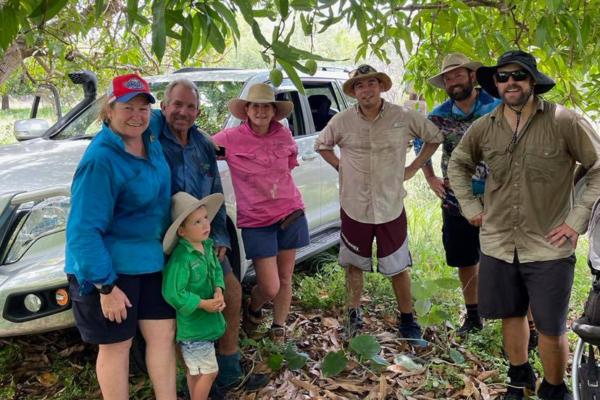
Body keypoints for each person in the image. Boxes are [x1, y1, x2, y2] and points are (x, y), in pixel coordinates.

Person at [448, 49, 600, 400]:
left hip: (548, 244)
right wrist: (470, 206)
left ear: (533, 81)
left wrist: (576, 221)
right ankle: (518, 379)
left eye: (518, 75)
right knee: (510, 315)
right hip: (498, 242)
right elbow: (458, 165)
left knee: (550, 326)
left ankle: (554, 387)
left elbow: (596, 167)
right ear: (495, 83)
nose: (510, 82)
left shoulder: (564, 121)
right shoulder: (485, 126)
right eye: (502, 77)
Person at [65, 74, 177, 400]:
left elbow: (171, 114)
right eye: (128, 107)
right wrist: (105, 286)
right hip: (108, 266)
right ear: (109, 110)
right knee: (117, 345)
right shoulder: (100, 160)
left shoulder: (148, 133)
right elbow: (83, 231)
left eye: (143, 108)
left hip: (149, 258)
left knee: (163, 333)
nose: (137, 115)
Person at [314, 65, 442, 346]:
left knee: (398, 265)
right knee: (353, 264)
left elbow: (433, 137)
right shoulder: (343, 120)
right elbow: (322, 145)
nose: (366, 90)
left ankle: (408, 320)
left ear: (381, 86)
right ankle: (352, 315)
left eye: (371, 83)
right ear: (354, 92)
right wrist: (341, 168)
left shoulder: (403, 116)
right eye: (359, 86)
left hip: (390, 204)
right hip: (354, 205)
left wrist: (413, 169)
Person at [148, 78, 253, 393]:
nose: (183, 112)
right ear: (164, 106)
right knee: (182, 309)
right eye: (176, 104)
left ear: (197, 112)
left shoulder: (203, 144)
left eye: (190, 106)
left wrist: (219, 235)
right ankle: (195, 381)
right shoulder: (149, 138)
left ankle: (228, 368)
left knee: (231, 293)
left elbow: (216, 193)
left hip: (203, 239)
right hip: (167, 242)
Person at [413, 54, 502, 337]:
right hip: (457, 199)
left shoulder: (496, 105)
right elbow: (420, 141)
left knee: (512, 259)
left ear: (472, 76)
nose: (453, 82)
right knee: (465, 259)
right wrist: (429, 176)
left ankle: (528, 324)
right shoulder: (439, 114)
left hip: (500, 197)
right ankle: (473, 316)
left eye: (458, 75)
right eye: (448, 78)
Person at [213, 83, 309, 343]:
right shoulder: (229, 138)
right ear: (247, 110)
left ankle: (279, 327)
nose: (261, 111)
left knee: (286, 277)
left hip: (290, 213)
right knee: (269, 285)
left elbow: (289, 166)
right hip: (256, 221)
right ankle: (253, 309)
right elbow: (200, 148)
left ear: (273, 110)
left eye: (266, 106)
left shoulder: (284, 135)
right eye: (255, 105)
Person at [162, 192, 227, 400]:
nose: (205, 224)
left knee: (196, 371)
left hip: (206, 324)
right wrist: (202, 303)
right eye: (197, 222)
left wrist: (218, 290)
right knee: (210, 372)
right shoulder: (182, 258)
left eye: (205, 218)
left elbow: (217, 270)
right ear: (181, 231)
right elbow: (172, 293)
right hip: (193, 328)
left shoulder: (207, 246)